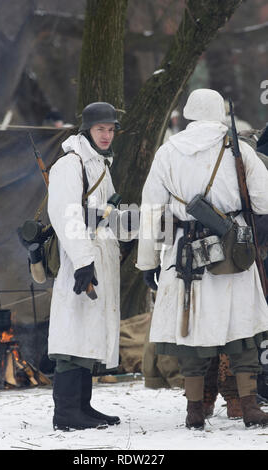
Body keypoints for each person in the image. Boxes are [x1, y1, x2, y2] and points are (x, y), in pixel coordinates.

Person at [136, 88, 268, 430]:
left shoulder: (168, 151)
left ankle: (195, 410)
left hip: (185, 252)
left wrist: (148, 261)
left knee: (191, 332)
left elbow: (151, 211)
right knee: (243, 329)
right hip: (233, 248)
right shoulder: (238, 149)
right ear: (219, 113)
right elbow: (265, 201)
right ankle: (250, 406)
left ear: (190, 113)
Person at [47, 102, 132, 431]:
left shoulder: (100, 165)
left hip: (99, 255)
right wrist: (83, 262)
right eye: (101, 129)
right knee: (73, 336)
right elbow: (66, 216)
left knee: (87, 337)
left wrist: (147, 226)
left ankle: (82, 406)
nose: (107, 135)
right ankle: (66, 412)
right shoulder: (71, 165)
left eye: (111, 130)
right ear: (87, 130)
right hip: (80, 259)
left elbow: (108, 217)